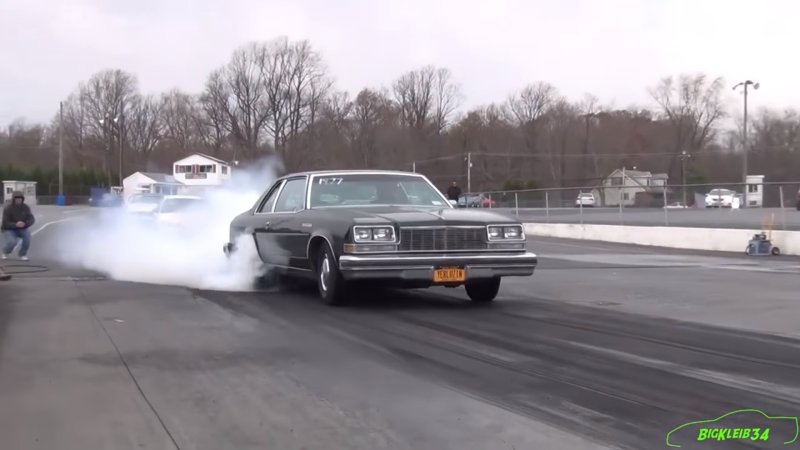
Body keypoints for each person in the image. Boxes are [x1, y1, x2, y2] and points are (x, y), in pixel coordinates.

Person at [2, 191, 35, 261]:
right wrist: (15, 224)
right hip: (9, 229)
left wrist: (25, 224)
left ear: (22, 199)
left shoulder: (26, 207)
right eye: (17, 198)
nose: (18, 200)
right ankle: (5, 252)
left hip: (22, 228)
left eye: (20, 198)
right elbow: (5, 223)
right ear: (13, 199)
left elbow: (31, 219)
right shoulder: (8, 208)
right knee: (12, 242)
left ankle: (23, 254)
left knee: (27, 237)